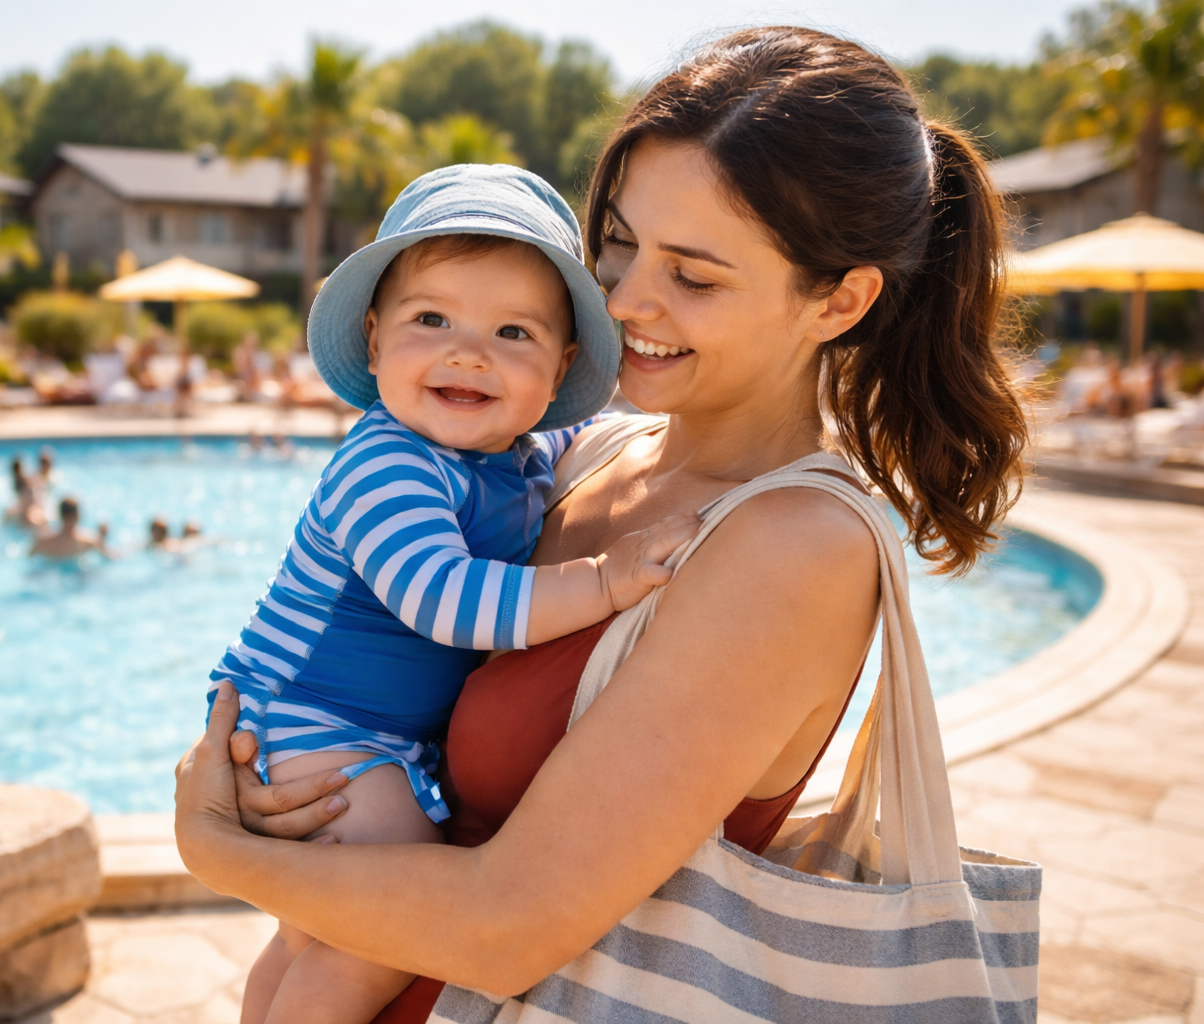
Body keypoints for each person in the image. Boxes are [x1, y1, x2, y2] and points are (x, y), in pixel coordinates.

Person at [174, 26, 1026, 1023]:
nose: (623, 299)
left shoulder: (795, 545)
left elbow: (510, 925)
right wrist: (267, 774)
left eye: (693, 275)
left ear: (838, 299)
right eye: (618, 243)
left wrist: (217, 848)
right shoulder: (578, 459)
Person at [205, 163, 697, 1024]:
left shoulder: (523, 452)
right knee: (373, 939)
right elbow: (445, 600)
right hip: (317, 721)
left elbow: (603, 428)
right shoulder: (386, 460)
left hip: (359, 730)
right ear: (372, 338)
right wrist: (605, 581)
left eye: (514, 333)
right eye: (430, 319)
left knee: (307, 939)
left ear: (560, 368)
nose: (467, 352)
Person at [29, 497, 115, 560]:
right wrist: (102, 536)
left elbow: (28, 557)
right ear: (77, 516)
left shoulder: (43, 541)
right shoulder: (87, 540)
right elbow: (111, 556)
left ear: (60, 515)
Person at [3, 457, 47, 531]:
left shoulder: (38, 517)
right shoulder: (11, 514)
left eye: (31, 492)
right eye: (29, 492)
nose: (32, 495)